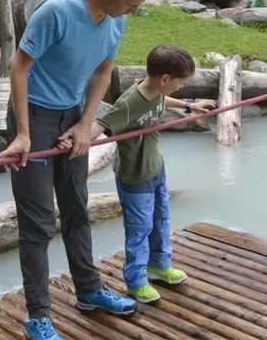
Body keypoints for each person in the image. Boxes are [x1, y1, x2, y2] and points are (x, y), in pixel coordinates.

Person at [0, 0, 158, 340]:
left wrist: (86, 123)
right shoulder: (57, 12)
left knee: (76, 208)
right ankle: (37, 316)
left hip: (72, 114)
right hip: (32, 113)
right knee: (36, 223)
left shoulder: (116, 17)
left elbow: (103, 72)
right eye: (131, 4)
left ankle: (88, 290)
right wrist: (24, 135)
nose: (135, 13)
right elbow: (19, 68)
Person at [91, 45, 215, 302]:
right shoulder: (128, 103)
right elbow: (100, 126)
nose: (181, 87)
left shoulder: (155, 89)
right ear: (165, 78)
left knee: (161, 220)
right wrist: (75, 143)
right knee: (139, 229)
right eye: (180, 83)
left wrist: (190, 106)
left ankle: (159, 265)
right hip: (135, 176)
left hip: (156, 168)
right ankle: (136, 280)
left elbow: (161, 100)